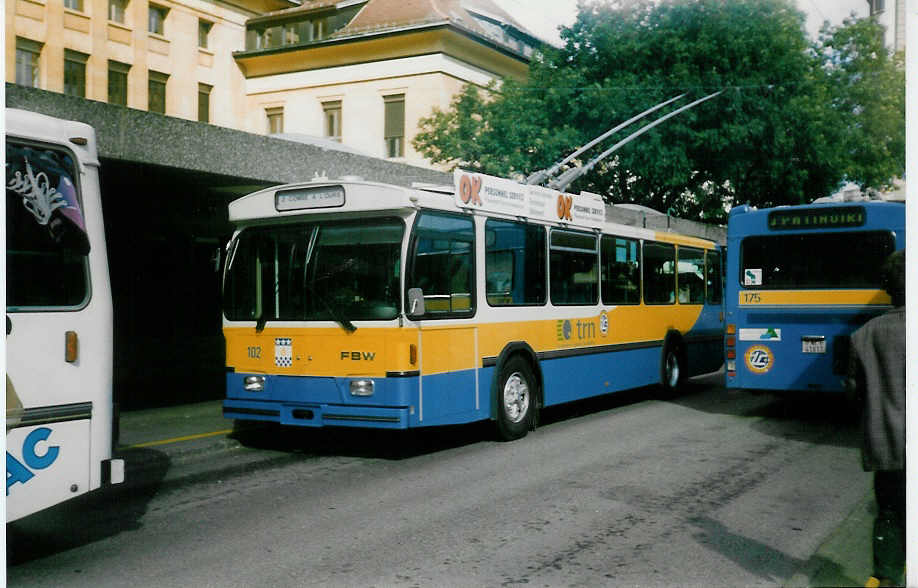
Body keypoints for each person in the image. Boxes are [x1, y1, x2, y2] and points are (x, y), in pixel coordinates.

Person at [848, 249, 906, 588]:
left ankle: (887, 578)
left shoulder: (863, 336)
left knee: (888, 514)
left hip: (887, 448)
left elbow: (854, 394)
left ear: (887, 288)